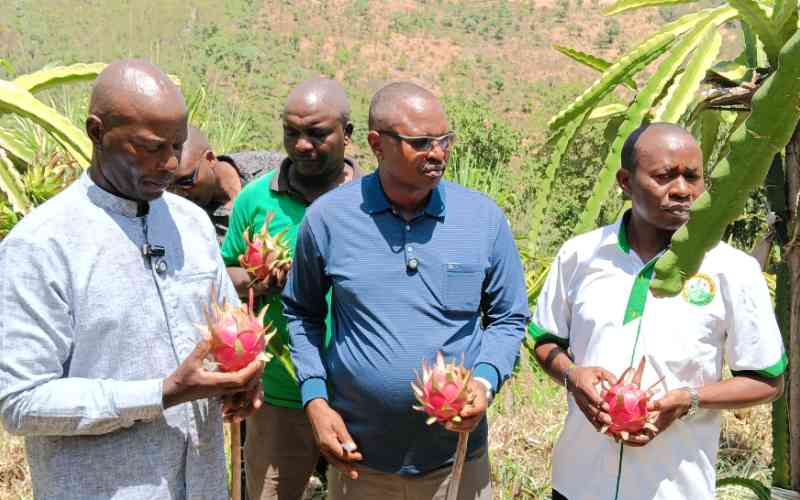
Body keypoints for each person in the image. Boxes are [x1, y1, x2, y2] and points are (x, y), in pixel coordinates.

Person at [0, 59, 264, 500]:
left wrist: (239, 377)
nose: (171, 163)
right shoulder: (41, 246)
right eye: (150, 147)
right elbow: (20, 403)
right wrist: (160, 394)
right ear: (97, 131)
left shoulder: (192, 226)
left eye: (177, 146)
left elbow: (227, 326)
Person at [282, 81, 529, 499]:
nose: (438, 153)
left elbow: (508, 317)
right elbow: (301, 313)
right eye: (421, 143)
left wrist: (485, 383)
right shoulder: (329, 219)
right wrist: (315, 400)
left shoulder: (482, 219)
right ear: (378, 144)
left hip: (457, 460)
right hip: (360, 461)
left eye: (444, 140)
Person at [531, 123, 787, 500]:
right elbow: (545, 339)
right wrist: (572, 375)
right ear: (625, 181)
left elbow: (767, 380)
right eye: (664, 177)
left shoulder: (733, 270)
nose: (682, 190)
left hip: (674, 488)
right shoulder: (580, 256)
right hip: (578, 482)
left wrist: (689, 399)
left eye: (692, 177)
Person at [221, 77, 360, 500]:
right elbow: (223, 273)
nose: (301, 145)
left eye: (316, 134)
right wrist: (257, 280)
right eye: (291, 132)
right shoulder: (253, 200)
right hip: (280, 391)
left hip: (357, 392)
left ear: (348, 136)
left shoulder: (374, 202)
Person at [168, 125, 283, 241]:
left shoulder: (271, 167)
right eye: (170, 187)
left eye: (186, 181)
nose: (180, 194)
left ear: (210, 159)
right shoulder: (191, 222)